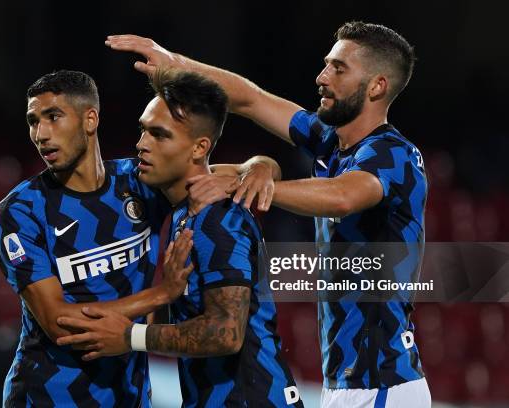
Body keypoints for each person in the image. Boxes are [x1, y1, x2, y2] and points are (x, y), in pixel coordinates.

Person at [104, 21, 431, 408]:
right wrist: (175, 64)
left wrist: (258, 186)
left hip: (383, 382)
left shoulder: (395, 155)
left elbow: (344, 196)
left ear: (377, 86)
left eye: (338, 68)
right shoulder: (328, 141)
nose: (322, 76)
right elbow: (250, 99)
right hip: (350, 382)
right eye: (326, 64)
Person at [0, 70, 278, 407]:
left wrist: (261, 166)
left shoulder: (138, 182)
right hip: (50, 395)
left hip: (129, 393)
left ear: (90, 119)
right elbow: (60, 324)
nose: (41, 134)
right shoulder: (22, 210)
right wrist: (162, 294)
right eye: (33, 121)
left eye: (53, 117)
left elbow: (219, 170)